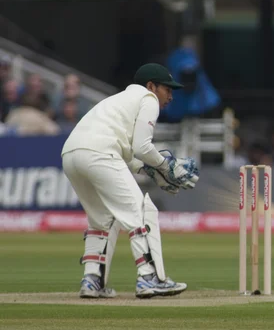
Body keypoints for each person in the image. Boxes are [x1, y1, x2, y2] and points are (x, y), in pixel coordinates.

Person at [61, 63, 199, 299]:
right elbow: (142, 147)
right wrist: (166, 166)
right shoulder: (148, 98)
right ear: (151, 86)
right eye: (167, 89)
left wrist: (150, 169)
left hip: (71, 154)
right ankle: (149, 278)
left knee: (101, 219)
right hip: (100, 153)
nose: (171, 96)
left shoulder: (117, 101)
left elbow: (129, 152)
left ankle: (92, 281)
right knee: (140, 212)